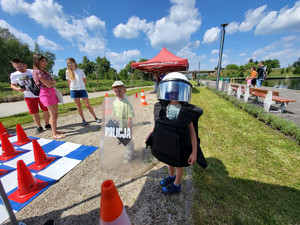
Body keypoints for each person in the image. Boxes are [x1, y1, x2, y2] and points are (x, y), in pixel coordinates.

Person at [146, 72, 207, 195]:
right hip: (168, 145)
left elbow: (192, 134)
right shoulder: (162, 107)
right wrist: (151, 133)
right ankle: (171, 176)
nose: (173, 93)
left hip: (180, 147)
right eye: (171, 90)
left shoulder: (185, 111)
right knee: (169, 162)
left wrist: (194, 152)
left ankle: (176, 185)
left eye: (176, 90)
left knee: (179, 166)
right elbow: (159, 123)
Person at [10, 58, 51, 134]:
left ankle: (47, 124)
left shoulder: (32, 71)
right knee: (34, 112)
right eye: (17, 67)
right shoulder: (14, 75)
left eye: (21, 67)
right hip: (28, 96)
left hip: (40, 94)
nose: (20, 69)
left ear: (25, 65)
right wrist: (17, 89)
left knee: (45, 110)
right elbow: (12, 85)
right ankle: (39, 126)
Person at [32, 54, 65, 139]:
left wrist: (50, 82)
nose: (45, 63)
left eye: (45, 61)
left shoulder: (44, 72)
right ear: (37, 61)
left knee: (55, 114)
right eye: (43, 61)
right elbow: (49, 84)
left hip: (51, 93)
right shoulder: (37, 72)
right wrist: (50, 82)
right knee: (53, 114)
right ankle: (54, 134)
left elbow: (54, 82)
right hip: (46, 94)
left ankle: (55, 130)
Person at [65, 57, 101, 125]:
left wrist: (80, 86)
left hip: (82, 89)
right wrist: (72, 87)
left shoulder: (80, 71)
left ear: (74, 62)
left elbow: (85, 81)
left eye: (70, 62)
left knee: (87, 105)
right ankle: (83, 119)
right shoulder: (67, 72)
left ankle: (96, 117)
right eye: (68, 63)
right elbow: (69, 82)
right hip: (74, 90)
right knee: (78, 106)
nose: (69, 64)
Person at [111, 81, 135, 162]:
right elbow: (114, 114)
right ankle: (131, 148)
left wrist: (129, 130)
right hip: (119, 125)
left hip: (126, 127)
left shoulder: (127, 104)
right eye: (115, 91)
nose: (117, 93)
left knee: (128, 141)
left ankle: (129, 153)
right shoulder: (115, 102)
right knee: (124, 140)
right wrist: (114, 122)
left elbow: (129, 118)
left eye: (120, 91)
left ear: (124, 91)